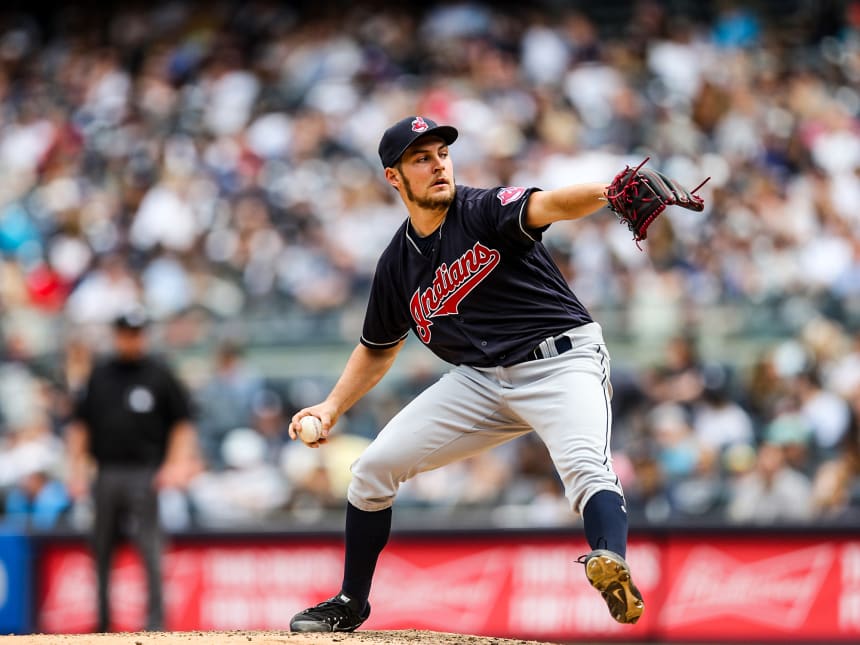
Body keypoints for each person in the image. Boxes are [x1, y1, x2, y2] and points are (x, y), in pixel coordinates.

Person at [288, 115, 646, 632]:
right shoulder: (397, 263)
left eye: (442, 154)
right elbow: (377, 348)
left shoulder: (481, 208)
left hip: (560, 363)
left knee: (586, 467)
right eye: (421, 158)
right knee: (370, 471)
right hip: (481, 381)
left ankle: (612, 562)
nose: (437, 165)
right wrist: (331, 407)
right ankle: (350, 603)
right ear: (394, 178)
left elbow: (549, 204)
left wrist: (609, 191)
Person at [65, 307, 200, 632]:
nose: (132, 340)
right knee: (101, 548)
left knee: (150, 549)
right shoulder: (99, 374)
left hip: (145, 473)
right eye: (126, 333)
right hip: (106, 472)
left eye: (137, 333)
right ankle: (102, 625)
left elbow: (183, 423)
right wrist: (76, 469)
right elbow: (80, 425)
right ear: (117, 335)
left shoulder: (159, 373)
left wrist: (175, 464)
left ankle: (155, 624)